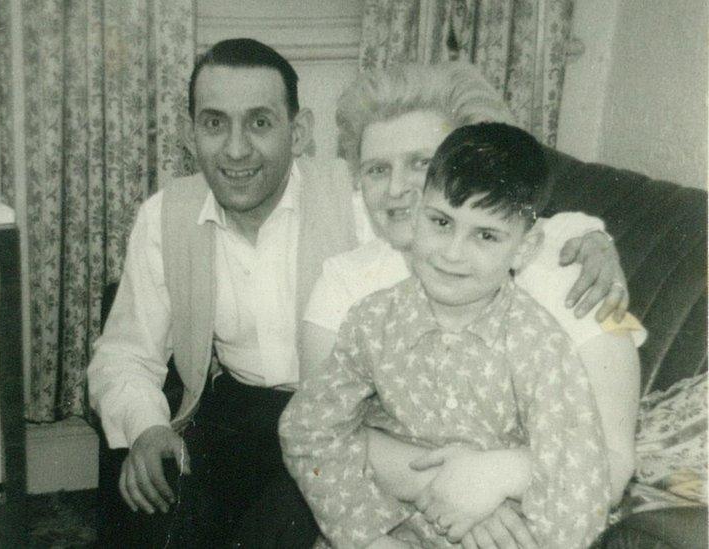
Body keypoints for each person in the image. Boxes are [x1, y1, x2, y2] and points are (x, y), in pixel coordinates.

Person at [87, 39, 627, 548]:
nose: (398, 190)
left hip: (430, 463)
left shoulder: (543, 264)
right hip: (248, 411)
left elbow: (507, 219)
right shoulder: (355, 277)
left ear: (298, 133)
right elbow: (314, 425)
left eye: (259, 122)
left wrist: (591, 234)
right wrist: (146, 425)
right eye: (377, 170)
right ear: (189, 135)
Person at [301, 63, 643, 548]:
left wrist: (502, 474)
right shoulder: (343, 282)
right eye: (378, 169)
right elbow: (321, 432)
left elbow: (614, 464)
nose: (397, 188)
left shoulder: (573, 270)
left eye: (421, 162)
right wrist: (443, 491)